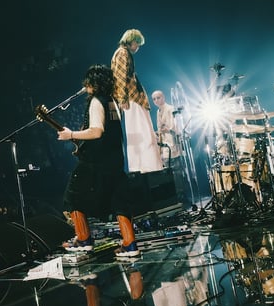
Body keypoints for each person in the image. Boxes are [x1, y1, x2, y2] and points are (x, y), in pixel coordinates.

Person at [55, 64, 139, 258]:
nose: (85, 86)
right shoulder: (112, 101)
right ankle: (130, 245)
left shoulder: (96, 101)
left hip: (96, 161)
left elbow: (97, 131)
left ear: (93, 82)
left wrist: (71, 135)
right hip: (115, 159)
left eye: (88, 83)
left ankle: (83, 240)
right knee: (119, 200)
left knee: (72, 196)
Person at [111, 28, 163, 174]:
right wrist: (122, 98)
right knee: (142, 133)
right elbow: (120, 77)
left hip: (133, 98)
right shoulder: (122, 53)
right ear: (131, 41)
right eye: (137, 44)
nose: (138, 47)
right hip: (131, 99)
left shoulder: (124, 53)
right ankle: (147, 168)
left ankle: (145, 167)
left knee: (142, 133)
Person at [152, 89, 186, 204]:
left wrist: (167, 129)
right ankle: (174, 197)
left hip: (173, 145)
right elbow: (160, 129)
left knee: (177, 173)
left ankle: (181, 196)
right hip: (165, 147)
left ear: (163, 97)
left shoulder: (171, 109)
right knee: (169, 173)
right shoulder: (158, 112)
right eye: (154, 99)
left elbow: (176, 127)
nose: (156, 100)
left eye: (158, 98)